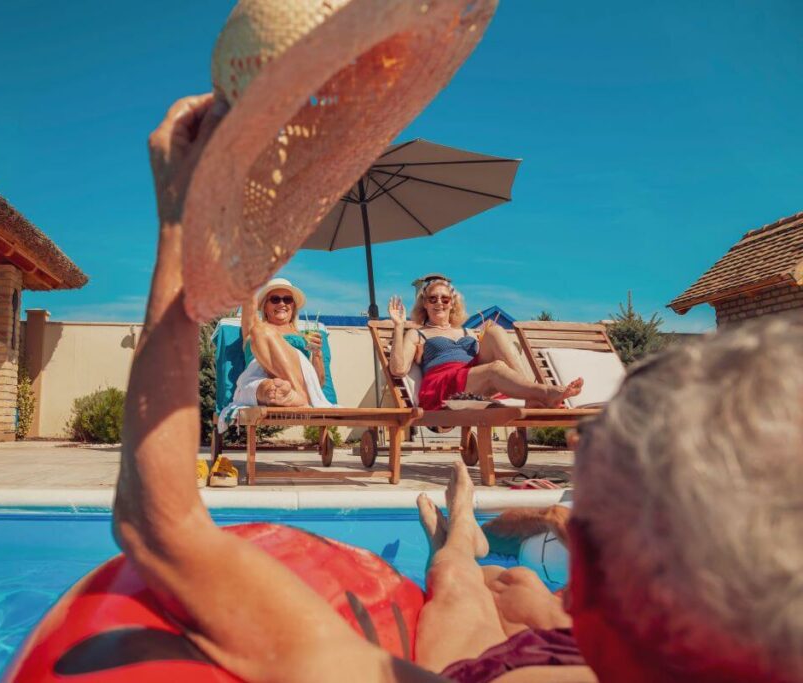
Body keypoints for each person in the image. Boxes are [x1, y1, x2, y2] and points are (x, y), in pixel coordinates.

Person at [114, 93, 802, 683]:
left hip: (523, 600)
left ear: (592, 576)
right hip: (449, 396)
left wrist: (182, 220)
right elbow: (403, 370)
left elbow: (162, 526)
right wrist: (403, 334)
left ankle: (460, 529)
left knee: (468, 589)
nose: (441, 299)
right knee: (529, 586)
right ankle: (476, 518)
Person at [387, 281, 583, 410]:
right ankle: (545, 392)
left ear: (452, 304)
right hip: (443, 385)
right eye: (433, 299)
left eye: (445, 299)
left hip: (472, 377)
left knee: (494, 330)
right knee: (495, 369)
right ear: (425, 304)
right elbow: (398, 369)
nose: (439, 303)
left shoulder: (467, 332)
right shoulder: (417, 333)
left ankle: (530, 395)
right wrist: (398, 326)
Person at [233, 278, 331, 407]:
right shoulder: (254, 329)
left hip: (299, 383)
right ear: (265, 307)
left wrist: (317, 354)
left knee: (261, 331)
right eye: (275, 299)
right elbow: (249, 303)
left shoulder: (305, 337)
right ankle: (287, 394)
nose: (282, 304)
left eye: (287, 300)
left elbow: (317, 384)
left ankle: (298, 394)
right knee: (270, 389)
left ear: (293, 307)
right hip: (257, 379)